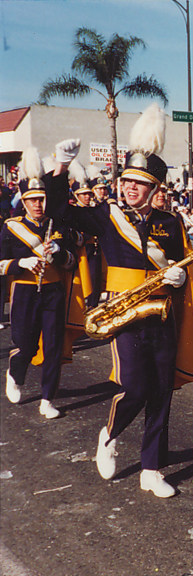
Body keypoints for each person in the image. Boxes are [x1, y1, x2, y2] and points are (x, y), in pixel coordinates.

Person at [44, 105, 193, 498]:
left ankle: (152, 468)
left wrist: (178, 277)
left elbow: (181, 265)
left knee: (162, 390)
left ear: (154, 189)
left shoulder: (170, 222)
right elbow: (61, 214)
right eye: (126, 181)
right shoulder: (107, 216)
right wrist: (61, 170)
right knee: (134, 387)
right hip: (124, 311)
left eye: (138, 183)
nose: (129, 187)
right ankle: (109, 435)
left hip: (161, 311)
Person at [2, 149, 76, 419]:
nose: (38, 205)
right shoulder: (11, 227)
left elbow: (71, 263)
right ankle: (15, 373)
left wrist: (59, 252)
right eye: (32, 199)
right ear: (24, 201)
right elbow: (0, 262)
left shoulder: (58, 225)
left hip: (54, 291)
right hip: (24, 291)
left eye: (42, 199)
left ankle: (48, 399)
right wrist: (18, 264)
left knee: (53, 347)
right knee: (26, 345)